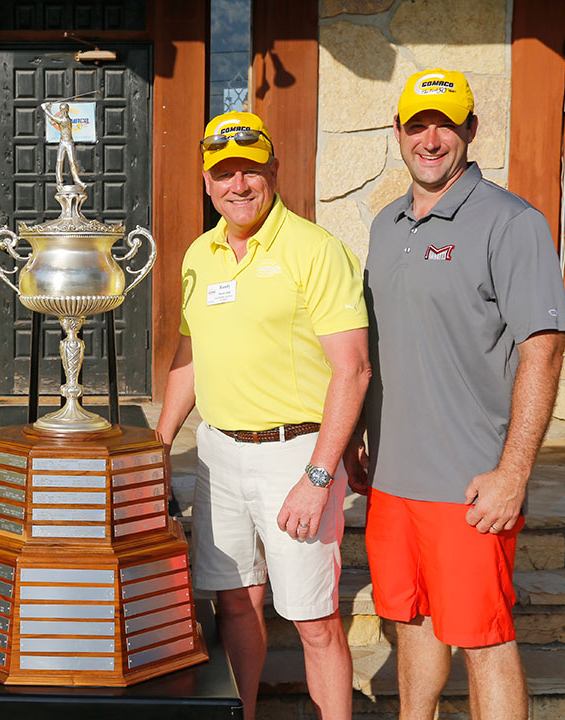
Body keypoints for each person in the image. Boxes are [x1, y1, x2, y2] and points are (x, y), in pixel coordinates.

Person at [345, 69, 565, 720]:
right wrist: (358, 436)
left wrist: (513, 473)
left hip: (468, 487)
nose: (431, 139)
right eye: (418, 125)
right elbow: (382, 343)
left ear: (471, 129)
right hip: (392, 481)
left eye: (445, 124)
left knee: (484, 640)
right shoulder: (386, 225)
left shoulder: (512, 222)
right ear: (397, 132)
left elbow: (544, 351)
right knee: (411, 623)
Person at [157, 111, 370, 720]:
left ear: (274, 170)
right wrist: (160, 444)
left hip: (295, 456)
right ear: (206, 181)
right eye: (224, 173)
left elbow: (353, 369)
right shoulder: (199, 255)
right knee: (235, 603)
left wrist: (319, 475)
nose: (238, 185)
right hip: (218, 453)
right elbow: (191, 354)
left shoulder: (315, 250)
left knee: (314, 620)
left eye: (250, 170)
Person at [43, 101, 84, 188]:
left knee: (72, 162)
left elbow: (54, 119)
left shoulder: (66, 120)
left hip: (69, 143)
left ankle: (77, 180)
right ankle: (59, 181)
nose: (63, 112)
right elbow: (52, 122)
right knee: (59, 161)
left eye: (64, 110)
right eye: (62, 110)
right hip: (62, 142)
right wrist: (49, 109)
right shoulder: (61, 118)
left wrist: (45, 109)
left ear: (67, 111)